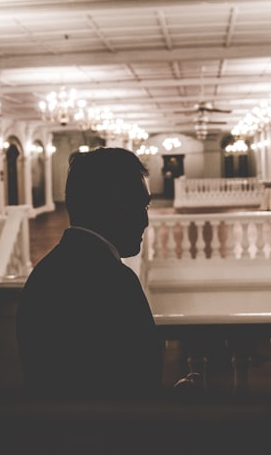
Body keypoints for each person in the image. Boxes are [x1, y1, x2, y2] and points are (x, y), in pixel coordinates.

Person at [15, 147, 165, 400]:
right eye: (141, 206)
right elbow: (137, 390)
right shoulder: (117, 283)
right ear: (116, 208)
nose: (145, 221)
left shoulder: (43, 275)